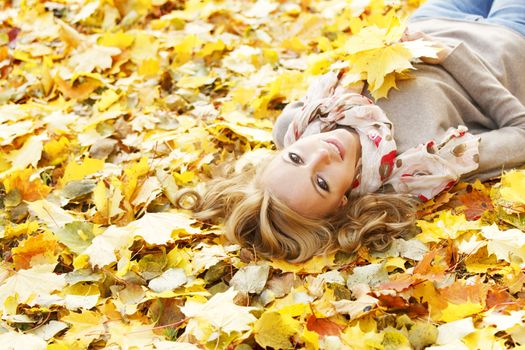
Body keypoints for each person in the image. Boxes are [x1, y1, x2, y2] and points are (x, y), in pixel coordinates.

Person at [196, 0, 525, 263]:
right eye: (321, 182)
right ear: (341, 202)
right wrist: (449, 56)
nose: (322, 154)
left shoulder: (300, 123)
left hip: (436, 16)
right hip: (507, 43)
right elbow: (521, 133)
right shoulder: (422, 164)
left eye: (295, 158)